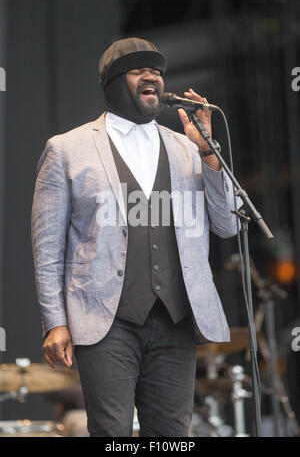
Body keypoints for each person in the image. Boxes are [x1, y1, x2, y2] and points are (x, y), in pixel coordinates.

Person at [31, 37, 238, 437]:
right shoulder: (66, 150)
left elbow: (227, 225)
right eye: (139, 69)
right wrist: (54, 321)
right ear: (111, 81)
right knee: (112, 434)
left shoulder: (187, 147)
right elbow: (47, 249)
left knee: (172, 436)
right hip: (105, 321)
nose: (153, 77)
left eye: (158, 71)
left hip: (176, 319)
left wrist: (209, 153)